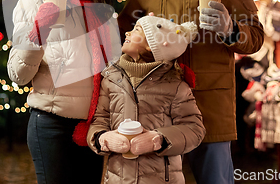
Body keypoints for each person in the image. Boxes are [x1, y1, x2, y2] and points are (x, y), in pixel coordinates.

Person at [117, 0, 265, 184]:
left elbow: (256, 37)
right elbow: (124, 31)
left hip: (207, 103)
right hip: (155, 106)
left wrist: (230, 30)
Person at [7, 0, 118, 184]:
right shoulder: (33, 1)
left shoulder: (97, 2)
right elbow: (18, 75)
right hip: (52, 125)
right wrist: (38, 33)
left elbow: (112, 64)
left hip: (94, 125)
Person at [87, 14, 206, 183]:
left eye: (136, 30)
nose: (127, 32)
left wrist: (158, 140)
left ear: (151, 46)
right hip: (117, 179)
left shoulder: (176, 86)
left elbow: (194, 129)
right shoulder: (111, 79)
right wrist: (102, 138)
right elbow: (100, 119)